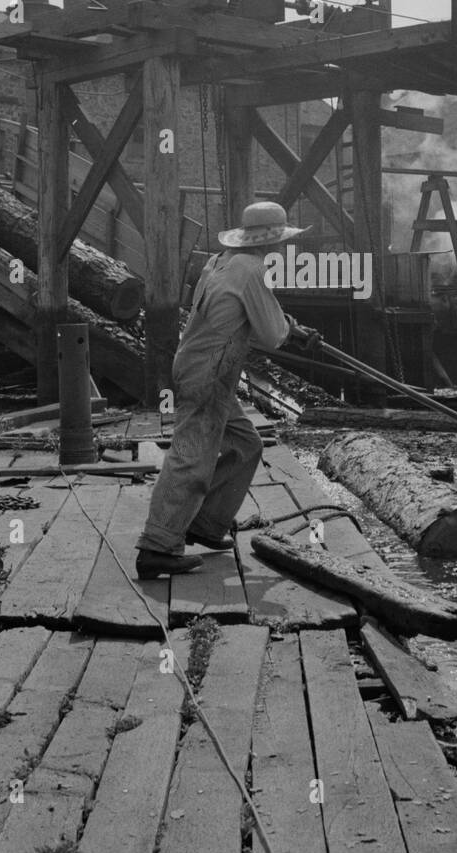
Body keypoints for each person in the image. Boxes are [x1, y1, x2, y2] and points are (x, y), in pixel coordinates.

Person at [134, 202, 321, 579]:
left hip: (198, 367)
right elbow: (270, 332)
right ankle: (157, 546)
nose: (282, 249)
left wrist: (291, 329)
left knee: (246, 445)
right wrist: (292, 332)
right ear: (270, 242)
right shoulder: (252, 270)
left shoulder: (220, 261)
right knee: (192, 457)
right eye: (281, 242)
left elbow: (251, 313)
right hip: (209, 375)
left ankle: (203, 523)